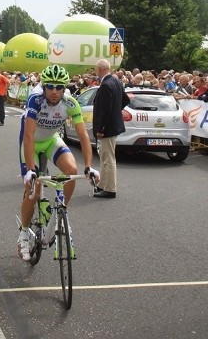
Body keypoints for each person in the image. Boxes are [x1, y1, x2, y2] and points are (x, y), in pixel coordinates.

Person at [16, 64, 99, 261]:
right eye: (50, 86)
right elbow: (28, 136)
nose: (54, 91)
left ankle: (62, 212)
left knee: (72, 170)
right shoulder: (35, 101)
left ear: (65, 88)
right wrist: (29, 170)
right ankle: (24, 234)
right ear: (44, 87)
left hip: (51, 140)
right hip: (31, 143)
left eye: (59, 87)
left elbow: (83, 136)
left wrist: (88, 166)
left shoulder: (70, 104)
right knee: (32, 188)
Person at [91, 59, 129, 199]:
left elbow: (105, 110)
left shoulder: (106, 85)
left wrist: (101, 128)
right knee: (104, 157)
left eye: (96, 69)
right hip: (112, 125)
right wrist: (115, 112)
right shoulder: (116, 82)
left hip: (107, 128)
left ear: (100, 69)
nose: (95, 72)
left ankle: (110, 188)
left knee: (108, 158)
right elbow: (125, 100)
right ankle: (103, 185)